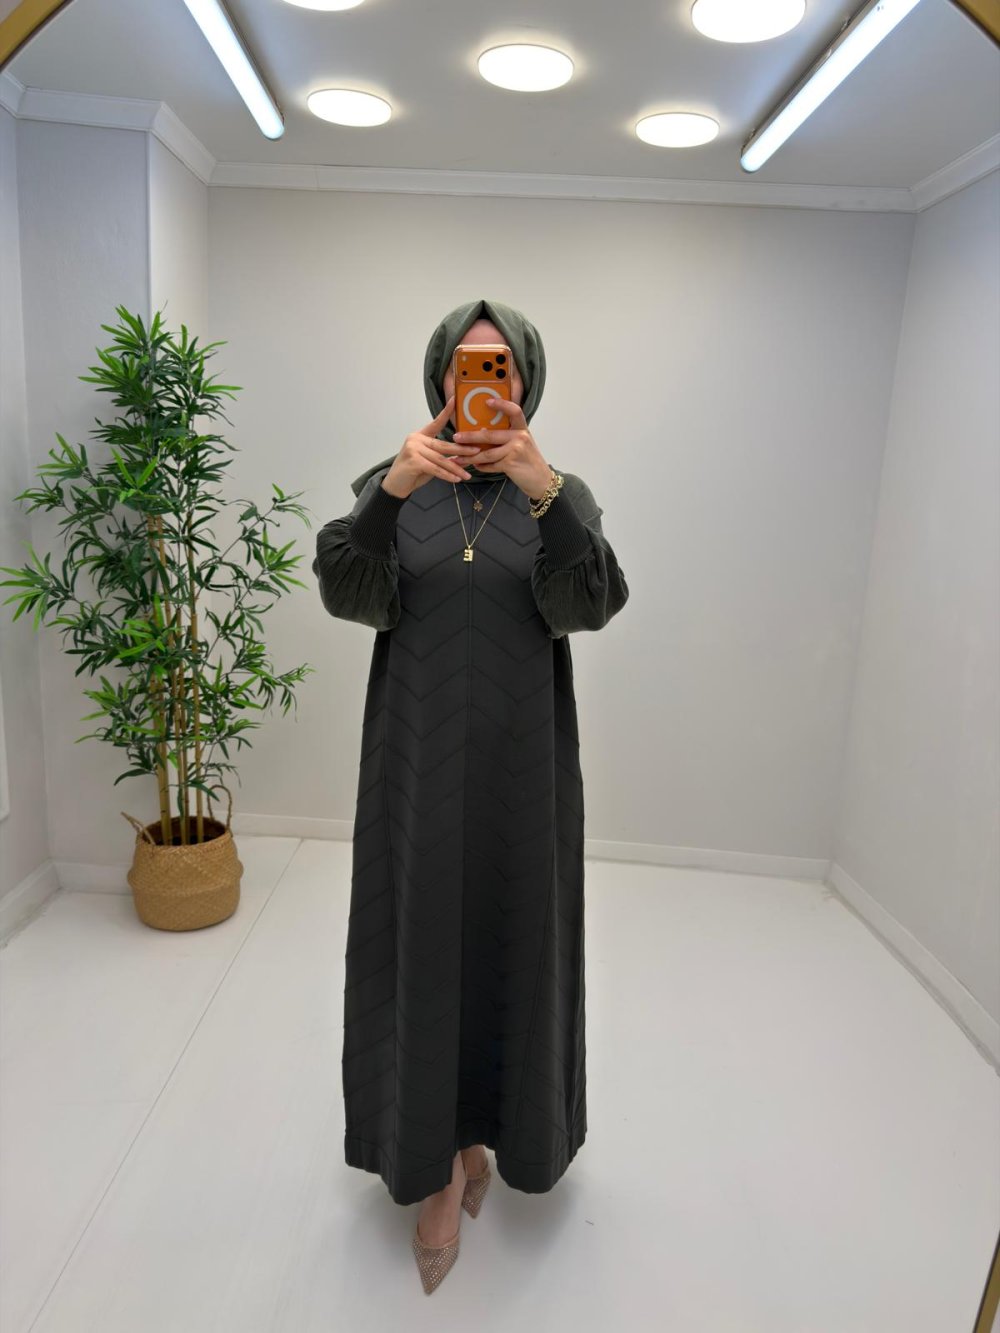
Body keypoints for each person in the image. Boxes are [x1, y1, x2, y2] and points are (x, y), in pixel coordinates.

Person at [311, 297, 629, 1294]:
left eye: (500, 368)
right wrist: (391, 489)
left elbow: (593, 603)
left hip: (522, 772)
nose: (482, 383)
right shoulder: (394, 479)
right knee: (423, 949)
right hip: (416, 764)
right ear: (441, 378)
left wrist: (546, 493)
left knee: (509, 945)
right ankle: (440, 1170)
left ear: (524, 382)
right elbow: (346, 588)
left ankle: (486, 1136)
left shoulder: (558, 492)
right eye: (465, 366)